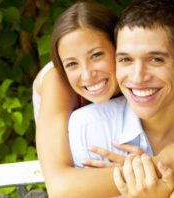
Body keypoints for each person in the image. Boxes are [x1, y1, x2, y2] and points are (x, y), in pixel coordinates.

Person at [34, 1, 174, 197]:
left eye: (97, 55)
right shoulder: (58, 82)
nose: (87, 74)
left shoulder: (138, 76)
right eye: (72, 64)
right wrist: (149, 168)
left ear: (117, 45)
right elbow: (60, 186)